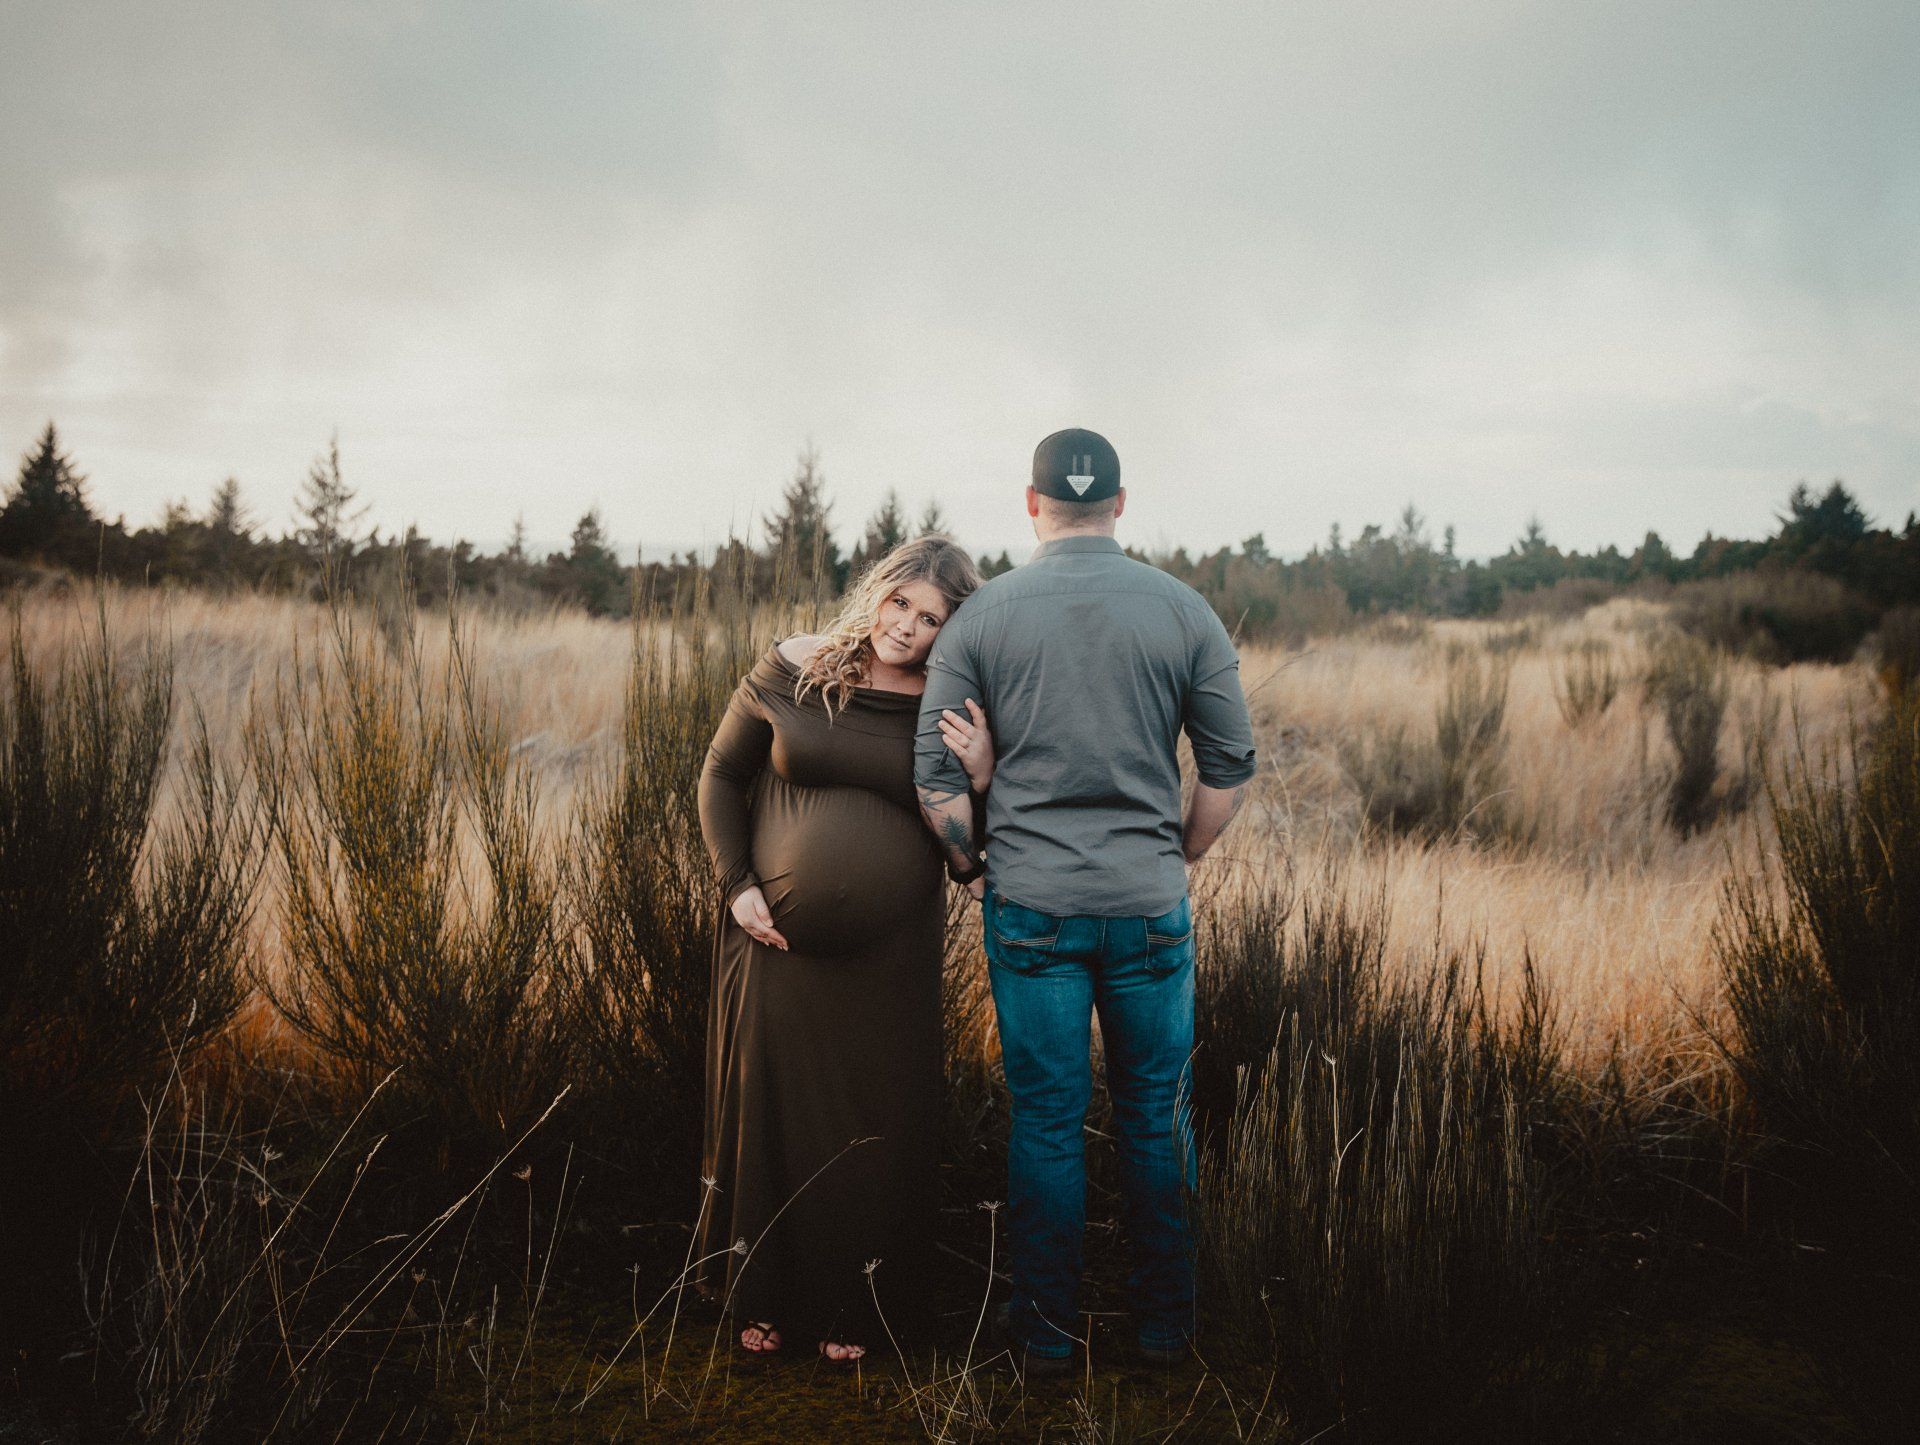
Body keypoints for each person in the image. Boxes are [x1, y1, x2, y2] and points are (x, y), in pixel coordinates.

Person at [913, 428, 1258, 1374]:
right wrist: (1180, 853)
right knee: (1155, 1114)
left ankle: (1046, 1340)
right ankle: (1166, 1331)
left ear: (1032, 504)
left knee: (1047, 1120)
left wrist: (973, 864)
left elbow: (935, 778)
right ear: (1120, 502)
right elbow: (1230, 766)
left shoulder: (982, 620)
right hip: (1148, 904)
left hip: (1031, 904)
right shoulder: (1184, 610)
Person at [696, 536, 985, 1363]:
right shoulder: (796, 664)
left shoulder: (951, 705)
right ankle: (762, 1296)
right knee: (771, 1114)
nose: (906, 626)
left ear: (952, 629)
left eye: (931, 618)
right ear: (876, 591)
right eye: (900, 602)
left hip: (888, 963)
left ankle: (854, 1308)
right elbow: (720, 775)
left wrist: (983, 770)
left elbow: (973, 846)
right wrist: (736, 883)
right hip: (774, 947)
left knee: (874, 1124)